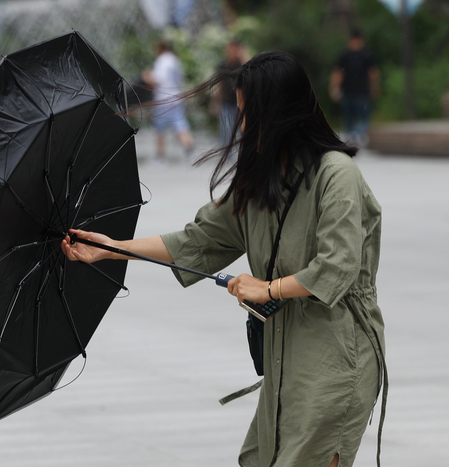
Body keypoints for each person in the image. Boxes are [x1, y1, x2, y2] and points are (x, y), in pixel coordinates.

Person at [61, 51, 386, 467]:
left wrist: (267, 288)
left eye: (251, 113)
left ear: (283, 113)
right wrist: (111, 248)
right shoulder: (261, 180)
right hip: (285, 356)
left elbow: (337, 266)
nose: (243, 124)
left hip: (337, 357)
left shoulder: (337, 174)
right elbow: (198, 240)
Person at [141, 41, 193, 163]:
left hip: (163, 100)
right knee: (180, 125)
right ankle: (190, 150)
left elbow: (158, 80)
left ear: (160, 48)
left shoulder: (162, 60)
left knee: (160, 129)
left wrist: (146, 77)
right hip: (176, 96)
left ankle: (160, 156)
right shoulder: (175, 60)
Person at [329, 28, 380, 147]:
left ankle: (353, 135)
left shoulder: (345, 55)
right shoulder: (366, 54)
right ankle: (356, 134)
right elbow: (373, 74)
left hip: (350, 92)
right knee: (362, 118)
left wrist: (334, 88)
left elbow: (338, 74)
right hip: (360, 92)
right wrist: (375, 88)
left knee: (352, 118)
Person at [214, 39, 247, 145]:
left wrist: (242, 56)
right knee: (226, 129)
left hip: (241, 103)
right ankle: (227, 153)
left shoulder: (242, 65)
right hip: (226, 102)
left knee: (243, 129)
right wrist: (216, 101)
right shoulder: (223, 65)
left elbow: (251, 70)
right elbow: (220, 84)